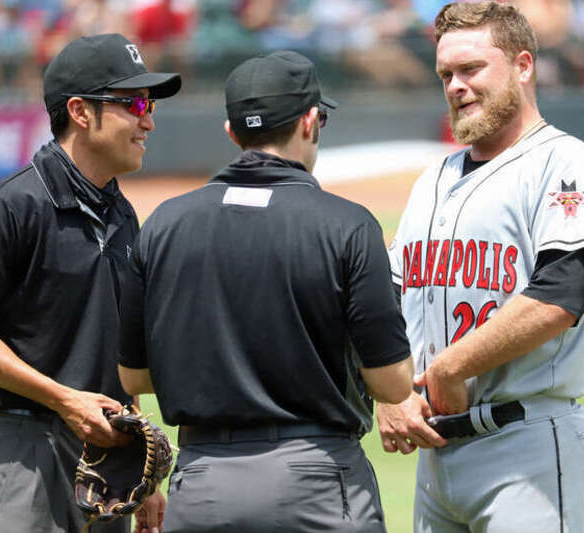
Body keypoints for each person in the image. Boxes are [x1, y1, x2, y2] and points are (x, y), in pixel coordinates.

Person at [117, 50, 414, 533]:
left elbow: (134, 377)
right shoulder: (349, 225)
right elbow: (393, 384)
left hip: (202, 482)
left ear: (232, 132)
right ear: (312, 121)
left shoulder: (163, 224)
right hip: (316, 477)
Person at [379, 2, 584, 532]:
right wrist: (391, 394)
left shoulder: (565, 163)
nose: (456, 86)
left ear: (523, 65)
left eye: (471, 69)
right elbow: (388, 300)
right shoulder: (433, 178)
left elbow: (559, 296)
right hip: (435, 456)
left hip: (525, 447)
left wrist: (449, 367)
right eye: (446, 74)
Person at [0, 33, 181, 533]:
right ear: (79, 111)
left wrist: (143, 476)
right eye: (134, 102)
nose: (148, 119)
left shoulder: (122, 214)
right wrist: (64, 399)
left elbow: (116, 345)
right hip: (25, 453)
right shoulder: (9, 207)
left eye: (151, 104)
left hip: (110, 457)